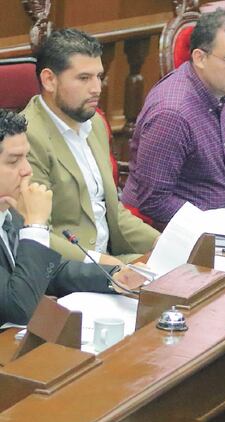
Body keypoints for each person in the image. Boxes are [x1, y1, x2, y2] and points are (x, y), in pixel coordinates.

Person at [23, 29, 160, 265]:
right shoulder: (27, 137)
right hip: (69, 270)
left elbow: (111, 212)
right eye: (84, 78)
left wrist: (162, 243)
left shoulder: (94, 123)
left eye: (99, 76)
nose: (97, 88)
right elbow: (37, 233)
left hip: (113, 259)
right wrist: (109, 265)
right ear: (49, 80)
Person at [121, 8, 225, 224]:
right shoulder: (172, 115)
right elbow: (154, 202)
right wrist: (213, 225)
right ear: (200, 58)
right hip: (175, 231)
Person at [0, 109, 124, 325]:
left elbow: (50, 271)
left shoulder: (8, 209)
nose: (27, 171)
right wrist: (36, 226)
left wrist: (113, 277)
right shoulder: (21, 210)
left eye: (26, 158)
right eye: (13, 162)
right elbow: (17, 308)